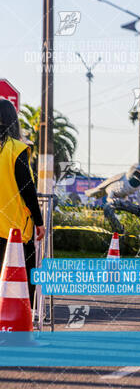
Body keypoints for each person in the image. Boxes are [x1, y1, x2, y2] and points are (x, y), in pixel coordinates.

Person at [0, 99, 45, 308]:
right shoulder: (16, 149)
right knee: (23, 283)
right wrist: (39, 221)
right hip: (15, 231)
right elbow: (27, 189)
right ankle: (19, 328)